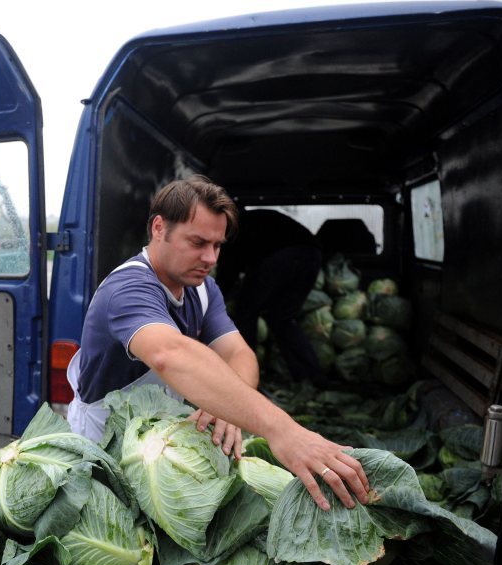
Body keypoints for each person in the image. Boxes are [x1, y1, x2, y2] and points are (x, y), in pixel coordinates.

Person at [66, 175, 368, 510]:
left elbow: (239, 353)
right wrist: (283, 430)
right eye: (198, 243)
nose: (210, 258)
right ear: (159, 228)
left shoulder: (203, 290)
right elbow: (171, 354)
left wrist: (226, 408)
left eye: (218, 245)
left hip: (162, 448)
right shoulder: (128, 289)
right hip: (107, 451)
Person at [216, 208, 328, 386]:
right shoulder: (255, 219)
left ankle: (246, 377)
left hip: (284, 255)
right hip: (312, 254)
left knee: (246, 312)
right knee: (282, 319)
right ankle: (311, 378)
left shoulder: (232, 229)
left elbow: (229, 271)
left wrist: (214, 299)